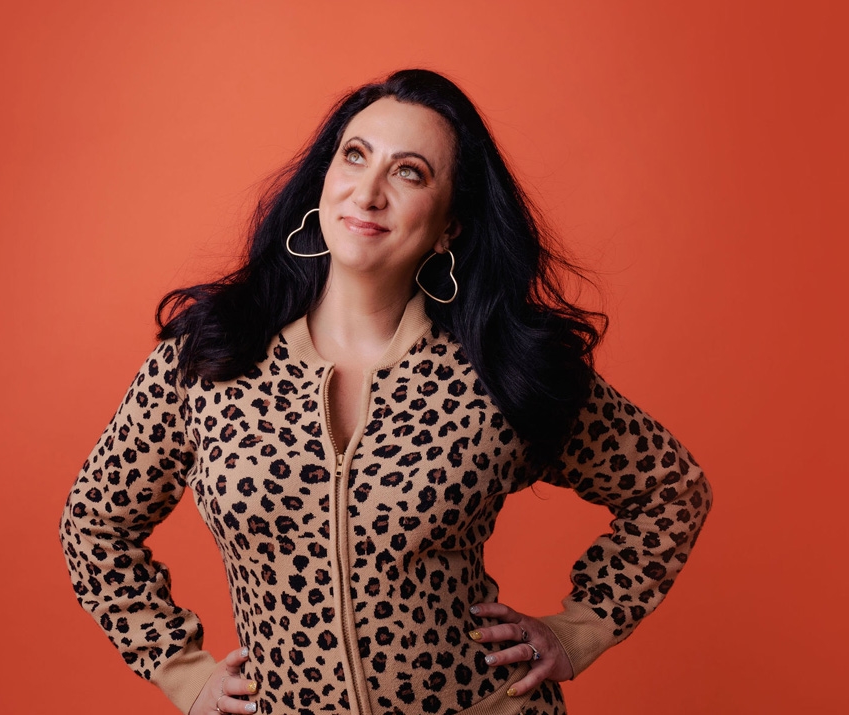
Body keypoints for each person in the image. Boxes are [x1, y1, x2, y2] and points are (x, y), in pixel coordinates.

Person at [59, 69, 712, 715]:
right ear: (325, 179)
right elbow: (94, 523)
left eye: (409, 172)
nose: (368, 192)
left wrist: (578, 631)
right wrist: (184, 672)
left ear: (451, 224)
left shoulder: (496, 367)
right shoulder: (212, 357)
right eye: (355, 156)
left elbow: (670, 487)